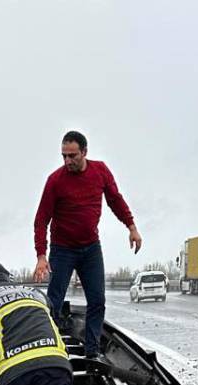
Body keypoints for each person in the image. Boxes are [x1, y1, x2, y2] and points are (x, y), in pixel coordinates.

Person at [33, 130, 142, 358]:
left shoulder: (100, 171)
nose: (67, 161)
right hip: (62, 250)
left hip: (91, 248)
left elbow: (115, 200)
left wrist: (131, 227)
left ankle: (92, 352)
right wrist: (41, 255)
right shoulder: (55, 181)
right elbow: (42, 219)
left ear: (84, 152)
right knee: (53, 302)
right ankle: (50, 351)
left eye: (72, 156)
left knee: (97, 301)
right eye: (64, 156)